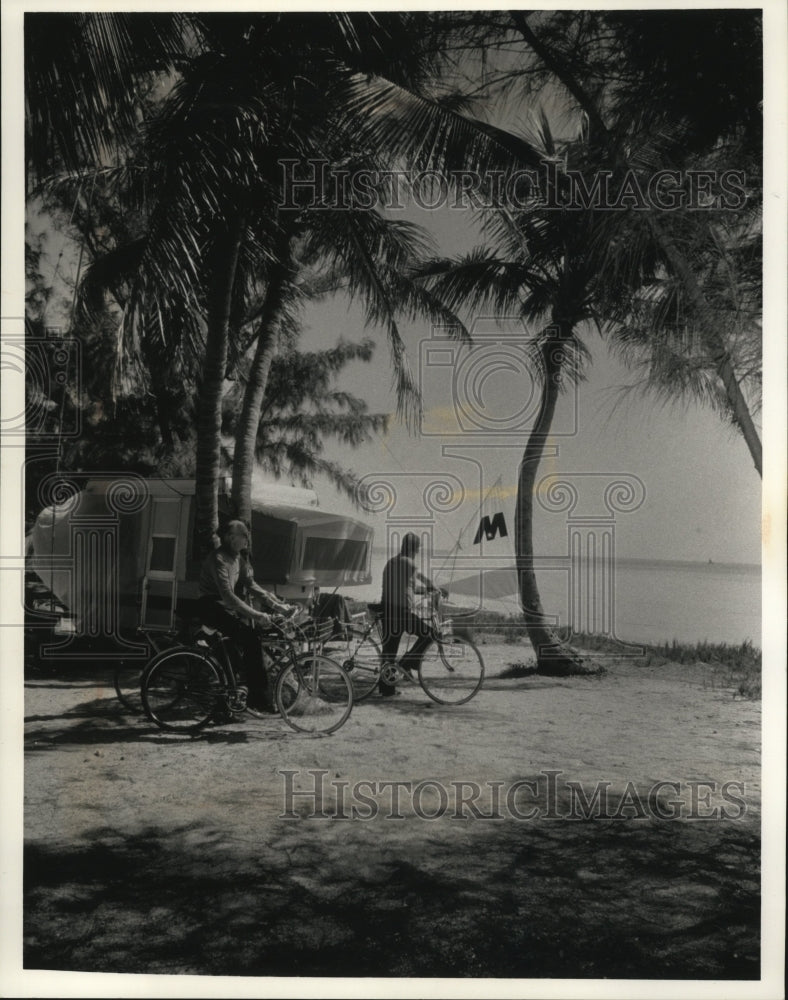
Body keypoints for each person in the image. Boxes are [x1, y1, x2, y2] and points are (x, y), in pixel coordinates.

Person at [198, 520, 293, 711]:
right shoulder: (219, 559)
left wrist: (278, 606)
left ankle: (231, 699)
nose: (247, 539)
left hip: (224, 608)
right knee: (251, 639)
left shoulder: (237, 558)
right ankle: (257, 699)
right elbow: (229, 596)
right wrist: (257, 614)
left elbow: (252, 586)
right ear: (230, 537)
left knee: (240, 650)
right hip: (210, 607)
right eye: (244, 535)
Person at [379, 532, 447, 696]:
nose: (417, 552)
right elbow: (425, 580)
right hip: (401, 612)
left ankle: (386, 689)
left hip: (387, 610)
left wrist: (425, 590)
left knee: (389, 651)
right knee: (430, 634)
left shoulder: (391, 562)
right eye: (417, 549)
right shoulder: (409, 564)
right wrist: (435, 589)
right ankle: (407, 663)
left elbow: (409, 587)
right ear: (413, 548)